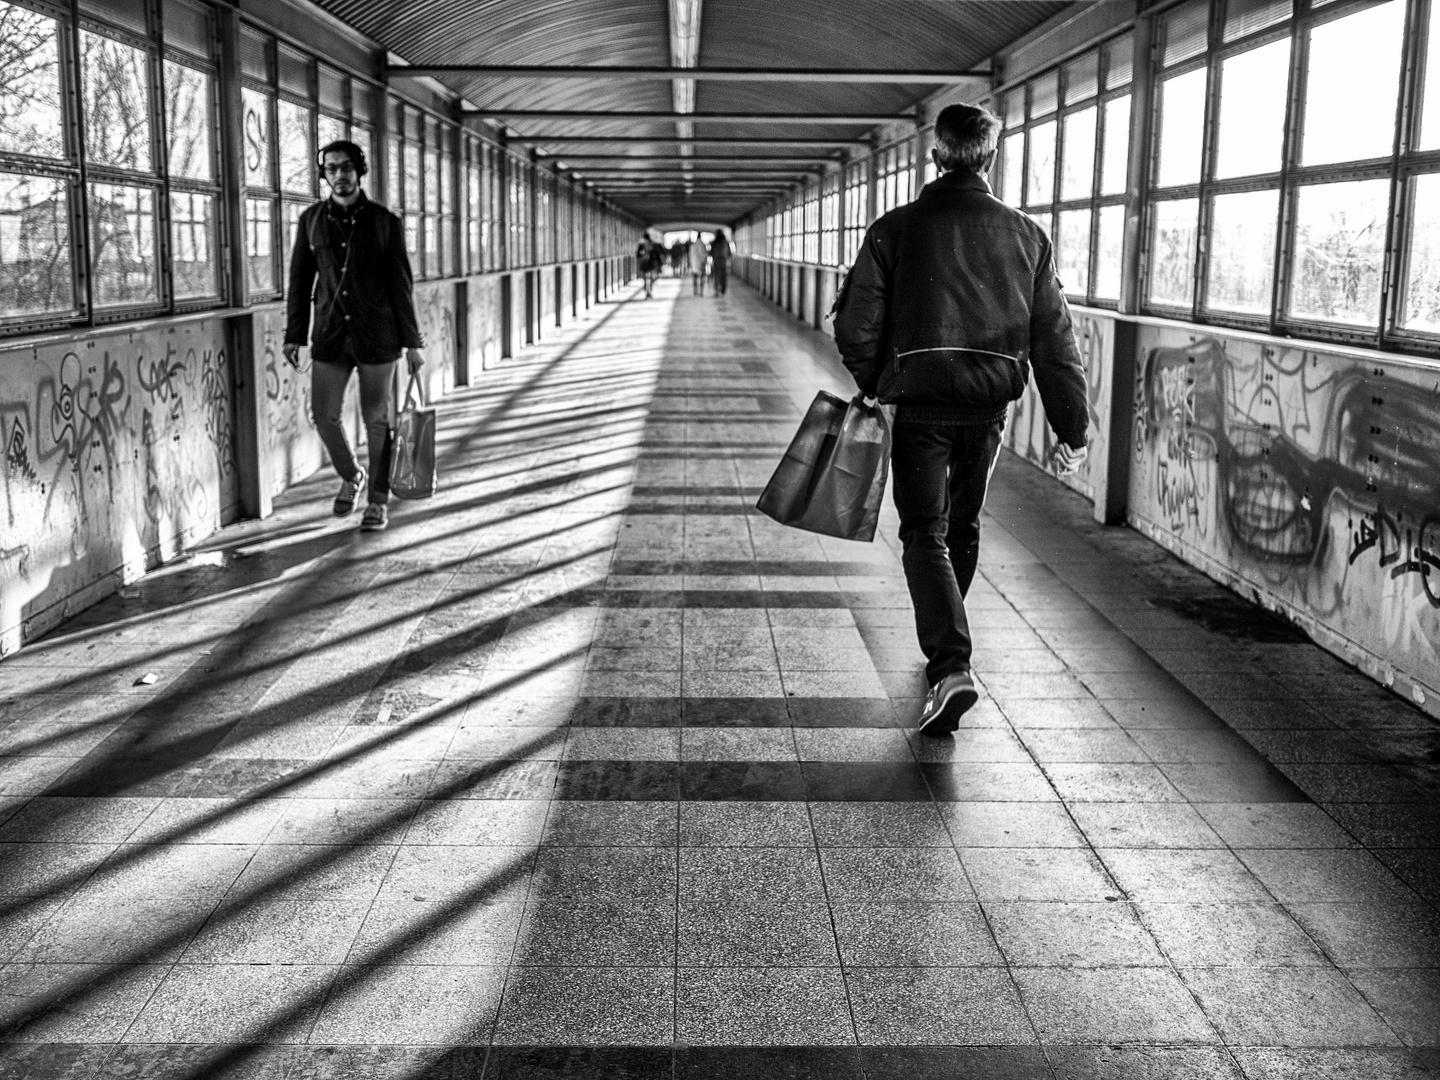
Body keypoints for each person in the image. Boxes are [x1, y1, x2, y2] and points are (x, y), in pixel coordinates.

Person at [833, 103, 1089, 737]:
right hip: (988, 408)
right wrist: (1073, 428)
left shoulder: (895, 229)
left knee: (923, 529)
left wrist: (875, 382)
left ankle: (951, 663)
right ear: (991, 158)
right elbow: (1054, 337)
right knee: (962, 524)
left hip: (920, 404)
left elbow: (854, 323)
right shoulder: (1027, 236)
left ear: (935, 155)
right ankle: (949, 652)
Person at [284, 139, 424, 534]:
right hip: (329, 333)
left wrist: (413, 343)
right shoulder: (310, 221)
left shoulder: (385, 223)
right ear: (324, 174)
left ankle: (378, 502)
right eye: (331, 168)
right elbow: (299, 282)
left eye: (346, 167)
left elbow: (401, 285)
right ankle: (352, 474)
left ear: (359, 171)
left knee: (377, 421)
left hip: (378, 336)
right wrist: (294, 334)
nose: (339, 175)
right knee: (324, 416)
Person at [710, 229, 732, 295]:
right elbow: (729, 253)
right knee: (724, 276)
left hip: (716, 261)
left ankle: (717, 290)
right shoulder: (726, 242)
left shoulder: (714, 243)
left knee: (716, 276)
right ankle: (723, 290)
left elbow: (711, 253)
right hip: (724, 262)